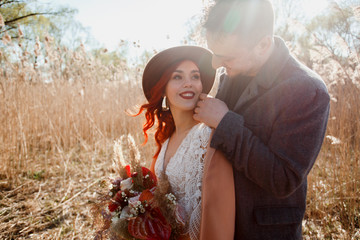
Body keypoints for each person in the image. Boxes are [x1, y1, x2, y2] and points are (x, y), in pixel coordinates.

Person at [193, 0, 330, 239]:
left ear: (263, 44)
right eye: (215, 54)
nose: (216, 65)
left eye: (227, 57)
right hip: (219, 222)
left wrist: (224, 122)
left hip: (261, 231)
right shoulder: (232, 74)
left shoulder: (307, 90)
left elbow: (283, 179)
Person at [137, 46, 235, 240]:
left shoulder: (209, 135)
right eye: (177, 77)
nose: (188, 83)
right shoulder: (166, 139)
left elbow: (220, 212)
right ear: (163, 89)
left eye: (195, 76)